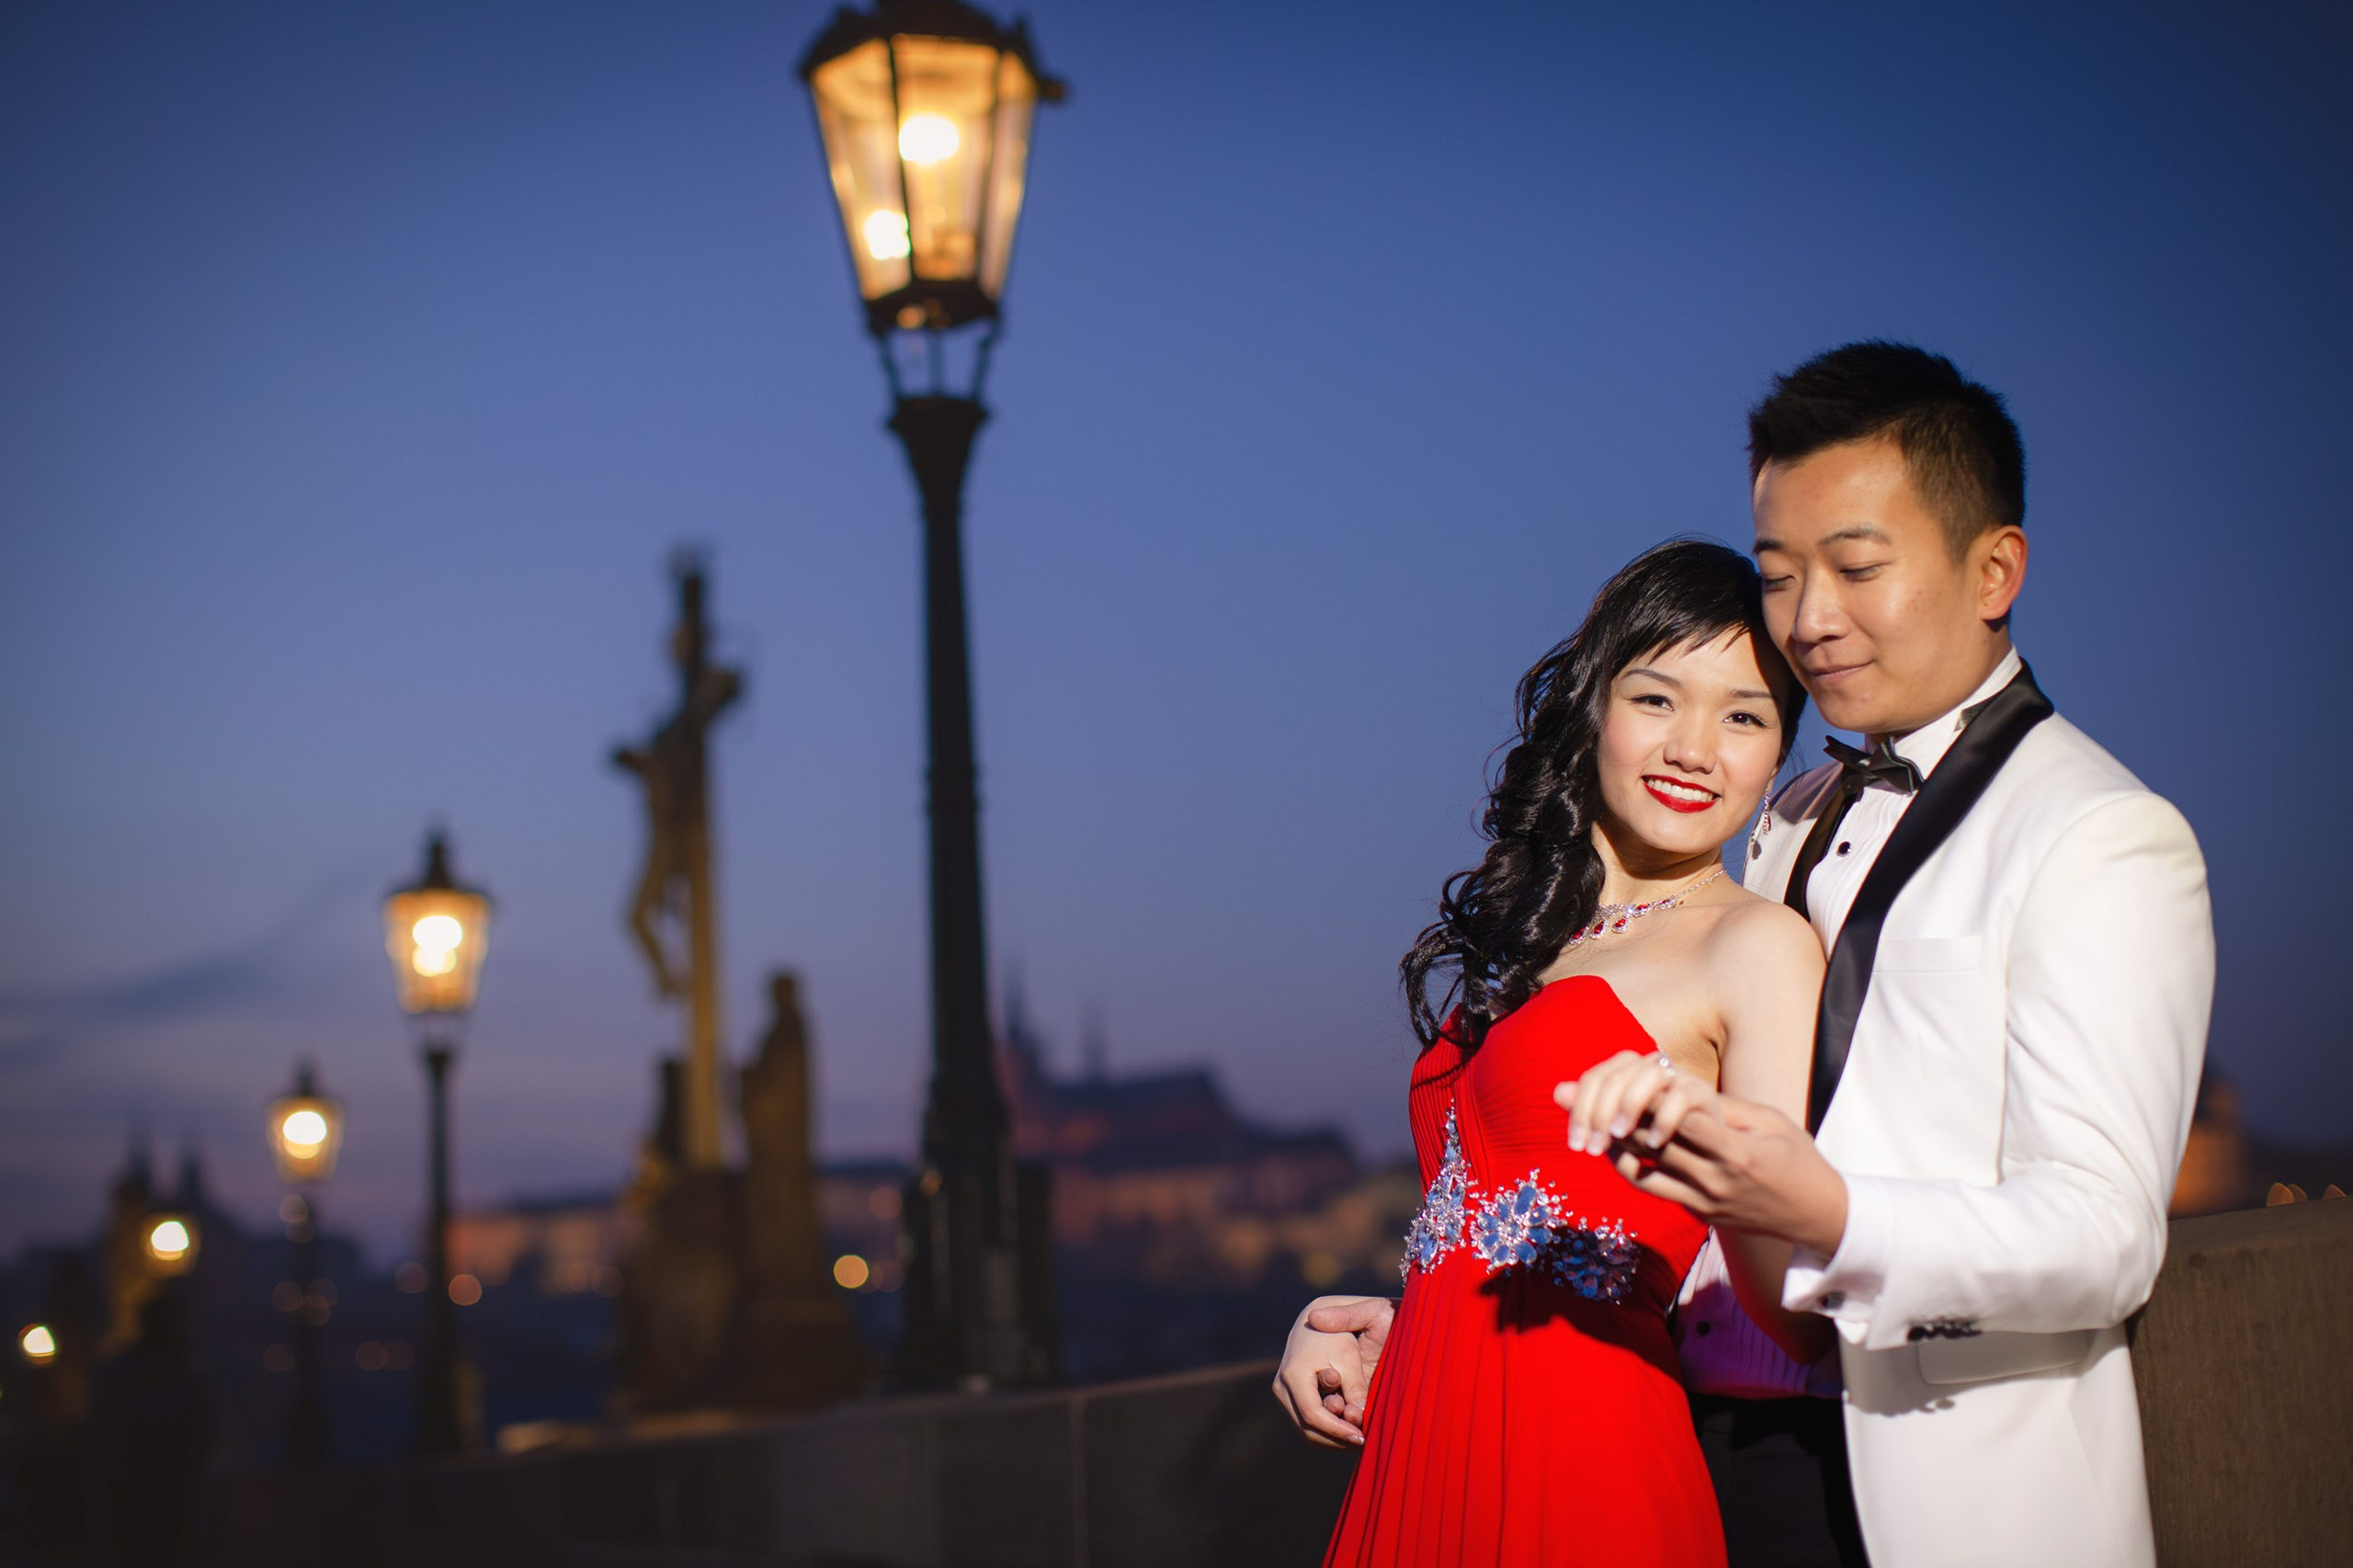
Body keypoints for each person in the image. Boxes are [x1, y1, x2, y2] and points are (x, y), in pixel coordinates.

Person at [1563, 342, 2212, 1568]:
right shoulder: (1791, 810)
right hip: (1704, 1458)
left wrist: (1834, 1213)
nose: (1808, 622)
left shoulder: (2104, 834)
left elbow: (2105, 1237)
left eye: (1857, 567)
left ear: (1994, 570)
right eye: (1779, 575)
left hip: (1942, 1498)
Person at [1279, 539, 1828, 1567]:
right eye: (1658, 698)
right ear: (1594, 707)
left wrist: (1710, 1147)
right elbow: (1508, 1216)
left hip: (1584, 1442)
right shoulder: (1540, 937)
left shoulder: (1754, 944)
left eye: (1745, 715)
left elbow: (1786, 1298)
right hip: (1426, 1432)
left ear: (1779, 746)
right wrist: (1383, 1330)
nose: (1696, 748)